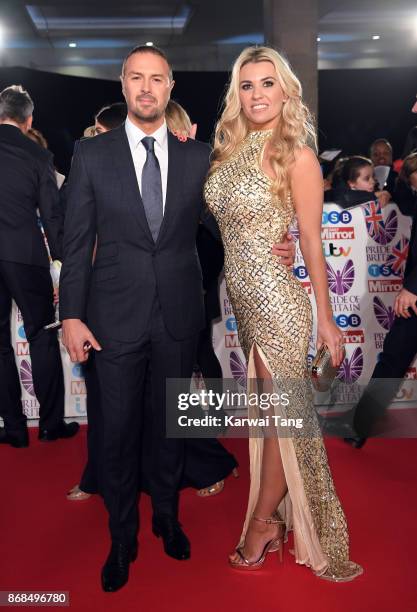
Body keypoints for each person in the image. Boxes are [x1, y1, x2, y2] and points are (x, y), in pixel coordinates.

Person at [59, 45, 296, 592]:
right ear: (123, 85)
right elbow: (76, 246)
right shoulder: (91, 156)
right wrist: (70, 314)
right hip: (112, 317)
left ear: (170, 88)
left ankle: (166, 517)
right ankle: (122, 537)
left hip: (178, 315)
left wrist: (277, 244)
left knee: (170, 427)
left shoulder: (199, 158)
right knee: (116, 433)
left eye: (157, 79)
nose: (147, 88)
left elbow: (235, 220)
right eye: (136, 78)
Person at [204, 46, 362, 581]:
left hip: (279, 305)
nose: (256, 95)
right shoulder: (229, 149)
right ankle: (268, 519)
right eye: (246, 85)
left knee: (278, 423)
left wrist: (326, 318)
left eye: (267, 83)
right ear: (237, 93)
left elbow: (313, 243)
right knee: (270, 419)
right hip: (244, 303)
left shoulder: (297, 155)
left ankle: (263, 524)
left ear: (286, 90)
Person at [67, 99, 240, 503]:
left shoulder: (184, 162)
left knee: (164, 403)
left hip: (174, 294)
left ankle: (204, 463)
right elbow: (75, 234)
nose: (95, 137)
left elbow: (222, 223)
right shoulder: (93, 162)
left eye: (99, 131)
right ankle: (102, 475)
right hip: (106, 298)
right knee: (114, 404)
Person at [0, 85, 79, 448]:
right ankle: (49, 425)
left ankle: (14, 429)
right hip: (25, 255)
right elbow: (52, 214)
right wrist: (67, 257)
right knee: (42, 336)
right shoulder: (37, 155)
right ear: (29, 120)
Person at [345, 152, 417, 449]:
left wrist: (413, 287)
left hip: (414, 294)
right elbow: (408, 200)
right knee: (393, 358)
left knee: (393, 358)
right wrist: (390, 192)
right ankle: (360, 424)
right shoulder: (411, 192)